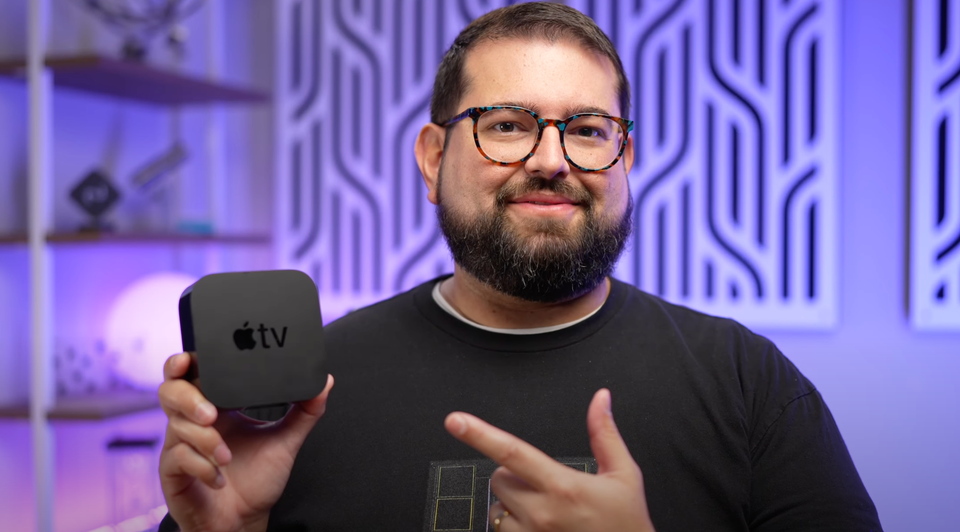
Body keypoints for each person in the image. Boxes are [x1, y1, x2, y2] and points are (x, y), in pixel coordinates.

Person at [157, 3, 882, 531]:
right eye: (508, 124)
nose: (549, 160)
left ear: (623, 160)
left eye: (588, 130)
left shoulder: (747, 382)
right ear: (434, 156)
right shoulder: (304, 399)